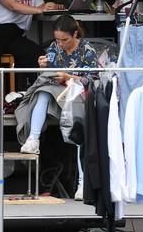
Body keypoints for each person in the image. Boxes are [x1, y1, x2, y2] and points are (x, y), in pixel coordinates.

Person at [15, 15, 99, 199]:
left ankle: (83, 183)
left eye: (65, 40)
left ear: (75, 34)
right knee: (42, 91)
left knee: (80, 135)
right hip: (56, 95)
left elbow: (94, 80)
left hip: (78, 95)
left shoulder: (87, 50)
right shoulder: (54, 47)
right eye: (57, 39)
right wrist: (43, 66)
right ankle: (33, 139)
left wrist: (69, 77)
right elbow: (48, 75)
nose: (60, 44)